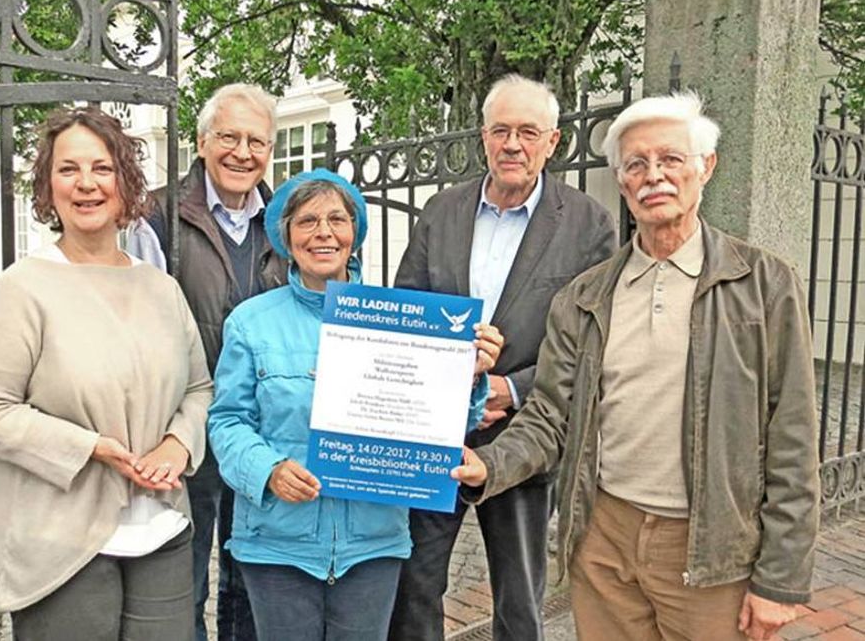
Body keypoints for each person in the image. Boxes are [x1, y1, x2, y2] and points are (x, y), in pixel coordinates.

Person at [452, 92, 820, 641]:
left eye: (671, 160)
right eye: (637, 164)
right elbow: (551, 413)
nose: (655, 177)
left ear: (706, 168)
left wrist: (780, 580)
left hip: (711, 549)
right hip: (604, 540)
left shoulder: (764, 284)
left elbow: (791, 436)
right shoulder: (586, 296)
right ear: (622, 182)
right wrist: (490, 466)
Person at [207, 169, 504, 641]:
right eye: (306, 221)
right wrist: (268, 470)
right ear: (286, 237)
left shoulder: (401, 320)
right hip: (278, 543)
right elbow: (227, 421)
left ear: (354, 233)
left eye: (336, 219)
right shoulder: (251, 323)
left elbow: (444, 425)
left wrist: (469, 377)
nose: (323, 232)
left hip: (372, 544)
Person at [0, 106, 212, 640]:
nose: (87, 184)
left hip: (160, 532)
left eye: (102, 168)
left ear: (125, 181)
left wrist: (177, 446)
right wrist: (92, 447)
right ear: (49, 188)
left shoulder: (160, 288)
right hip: (63, 541)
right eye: (69, 169)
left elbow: (198, 388)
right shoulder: (24, 288)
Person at [388, 74, 617, 641]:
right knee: (415, 583)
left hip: (525, 430)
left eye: (527, 132)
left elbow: (596, 343)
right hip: (436, 431)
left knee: (519, 592)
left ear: (553, 142)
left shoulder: (590, 224)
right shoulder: (441, 211)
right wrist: (451, 377)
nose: (512, 144)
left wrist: (510, 389)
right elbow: (405, 311)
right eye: (500, 131)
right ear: (483, 137)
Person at [146, 83, 287, 641]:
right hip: (188, 428)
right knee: (185, 574)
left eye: (256, 140)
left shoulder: (287, 219)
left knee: (250, 574)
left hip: (265, 431)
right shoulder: (158, 216)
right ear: (202, 143)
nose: (241, 152)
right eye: (228, 136)